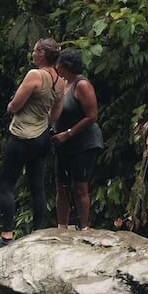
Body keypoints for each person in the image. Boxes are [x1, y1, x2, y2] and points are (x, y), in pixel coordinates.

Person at [0, 39, 63, 251]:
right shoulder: (60, 81)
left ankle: (6, 235)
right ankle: (38, 231)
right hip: (42, 137)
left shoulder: (35, 75)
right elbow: (56, 114)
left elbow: (15, 105)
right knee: (36, 185)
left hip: (23, 136)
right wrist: (44, 119)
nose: (32, 53)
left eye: (35, 50)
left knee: (6, 184)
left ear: (41, 54)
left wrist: (11, 106)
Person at [49, 47, 104, 229]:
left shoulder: (82, 85)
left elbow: (92, 116)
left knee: (80, 186)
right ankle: (62, 226)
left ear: (66, 65)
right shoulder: (64, 84)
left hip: (82, 142)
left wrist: (69, 133)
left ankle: (84, 227)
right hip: (62, 144)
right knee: (61, 186)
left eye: (58, 64)